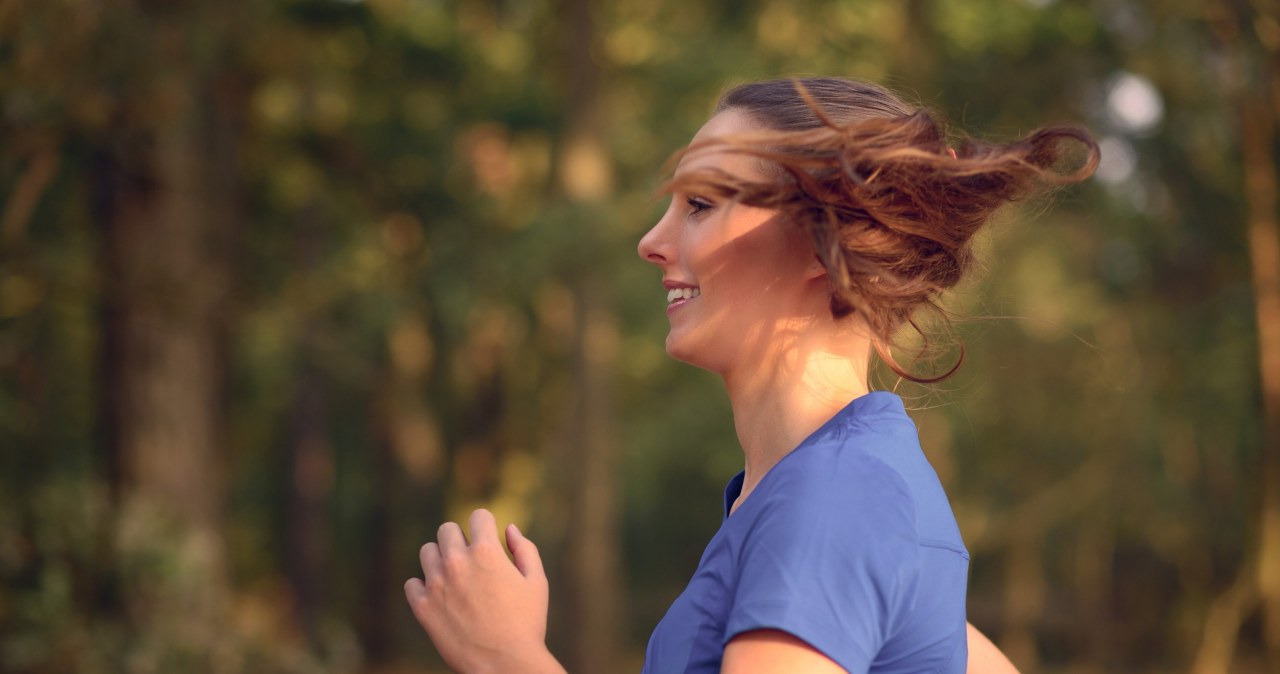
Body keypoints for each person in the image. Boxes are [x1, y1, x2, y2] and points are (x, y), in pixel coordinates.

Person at [403, 76, 1098, 673]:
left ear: (821, 243)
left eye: (700, 205)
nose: (651, 242)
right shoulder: (828, 492)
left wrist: (507, 657)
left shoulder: (836, 496)